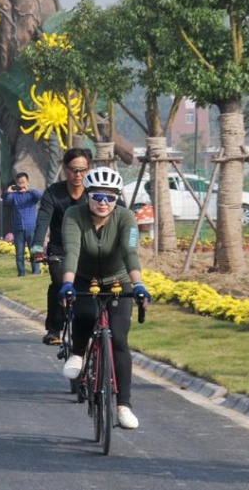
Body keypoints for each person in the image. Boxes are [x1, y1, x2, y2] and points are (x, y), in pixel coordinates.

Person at [57, 167, 150, 430]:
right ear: (87, 195)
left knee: (119, 339)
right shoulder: (73, 215)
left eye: (110, 197)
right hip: (84, 278)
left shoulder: (126, 217)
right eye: (97, 196)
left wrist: (139, 283)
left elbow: (130, 252)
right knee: (85, 313)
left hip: (118, 280)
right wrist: (67, 283)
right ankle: (77, 353)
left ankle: (124, 406)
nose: (103, 203)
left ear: (117, 198)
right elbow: (72, 250)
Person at [31, 147, 126, 346]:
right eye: (73, 169)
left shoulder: (95, 194)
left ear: (89, 170)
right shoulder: (53, 193)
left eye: (82, 170)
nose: (78, 175)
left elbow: (118, 213)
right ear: (65, 169)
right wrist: (38, 245)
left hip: (89, 251)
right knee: (60, 284)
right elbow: (43, 220)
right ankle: (55, 327)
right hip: (60, 250)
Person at [2, 172, 43, 277]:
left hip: (31, 228)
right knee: (19, 253)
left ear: (28, 182)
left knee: (33, 251)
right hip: (18, 228)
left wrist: (29, 189)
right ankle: (21, 272)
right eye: (19, 183)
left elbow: (40, 196)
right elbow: (6, 199)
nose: (22, 184)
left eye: (24, 182)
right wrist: (8, 192)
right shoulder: (14, 196)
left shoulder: (31, 195)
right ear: (16, 183)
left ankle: (36, 271)